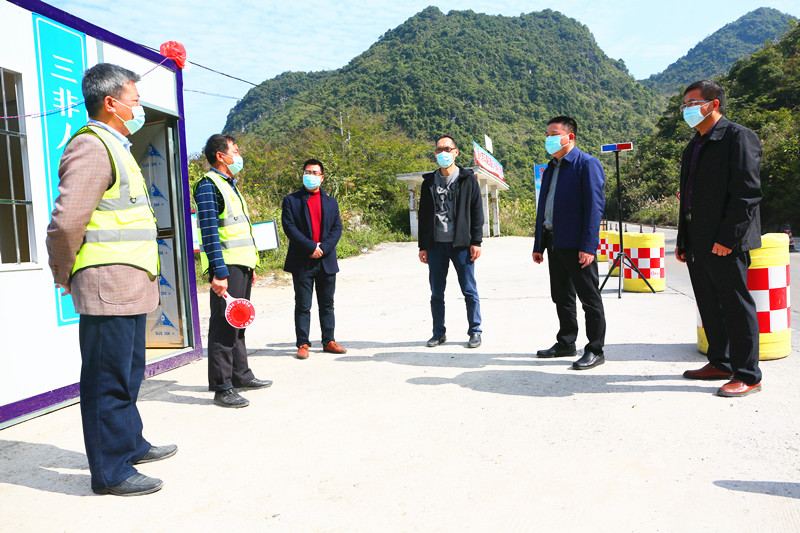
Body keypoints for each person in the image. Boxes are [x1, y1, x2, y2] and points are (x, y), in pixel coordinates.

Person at [46, 63, 176, 496]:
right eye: (135, 101)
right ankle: (111, 472)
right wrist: (64, 271)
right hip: (107, 284)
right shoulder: (92, 146)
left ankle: (131, 443)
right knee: (108, 380)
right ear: (111, 103)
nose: (139, 108)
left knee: (128, 372)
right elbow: (66, 223)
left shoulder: (117, 146)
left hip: (129, 283)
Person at [676, 80, 763, 397]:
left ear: (713, 104)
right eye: (684, 104)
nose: (686, 109)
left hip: (727, 242)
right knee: (710, 305)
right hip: (697, 240)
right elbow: (687, 197)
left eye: (692, 103)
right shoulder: (695, 145)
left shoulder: (738, 137)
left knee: (736, 306)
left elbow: (747, 195)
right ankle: (721, 362)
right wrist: (683, 239)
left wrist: (728, 238)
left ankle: (748, 375)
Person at [193, 134, 272, 408]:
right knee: (224, 327)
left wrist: (251, 266)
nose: (238, 156)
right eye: (235, 151)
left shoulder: (229, 185)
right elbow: (209, 233)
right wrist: (219, 272)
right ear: (220, 156)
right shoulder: (208, 186)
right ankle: (222, 386)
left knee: (239, 322)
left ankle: (241, 375)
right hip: (226, 267)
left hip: (241, 265)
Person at [532, 116, 607, 370]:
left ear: (570, 136)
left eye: (554, 134)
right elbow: (544, 207)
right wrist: (539, 244)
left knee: (589, 298)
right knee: (561, 296)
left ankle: (595, 349)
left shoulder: (586, 164)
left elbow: (594, 209)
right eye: (547, 135)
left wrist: (589, 246)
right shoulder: (551, 167)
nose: (549, 139)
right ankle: (566, 342)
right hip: (554, 242)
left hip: (577, 245)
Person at [418, 135, 484, 349]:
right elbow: (423, 215)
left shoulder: (467, 179)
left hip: (462, 245)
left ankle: (475, 331)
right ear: (435, 154)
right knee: (436, 293)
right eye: (439, 150)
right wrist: (422, 246)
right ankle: (438, 333)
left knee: (469, 291)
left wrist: (476, 241)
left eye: (447, 149)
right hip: (436, 246)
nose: (443, 153)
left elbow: (477, 211)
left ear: (456, 152)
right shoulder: (428, 182)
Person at [281, 159, 347, 359]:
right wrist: (310, 247)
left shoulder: (331, 202)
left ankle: (329, 341)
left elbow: (337, 228)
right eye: (307, 172)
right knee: (303, 305)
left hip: (326, 260)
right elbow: (289, 228)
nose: (311, 176)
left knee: (327, 304)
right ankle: (303, 343)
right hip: (302, 260)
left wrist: (323, 249)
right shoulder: (291, 200)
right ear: (302, 175)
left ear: (322, 177)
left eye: (315, 173)